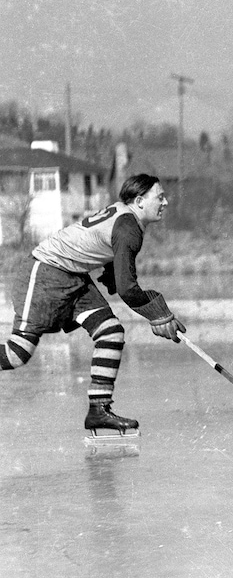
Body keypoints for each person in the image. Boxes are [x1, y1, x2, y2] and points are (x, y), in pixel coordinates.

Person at [1, 174, 186, 435]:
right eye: (160, 197)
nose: (165, 202)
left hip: (73, 276)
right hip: (45, 272)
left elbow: (104, 243)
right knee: (17, 354)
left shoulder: (125, 215)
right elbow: (128, 289)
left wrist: (111, 271)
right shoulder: (129, 228)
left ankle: (98, 409)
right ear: (140, 201)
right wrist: (159, 315)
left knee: (110, 331)